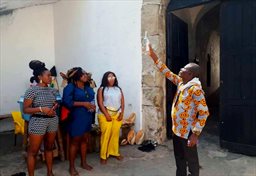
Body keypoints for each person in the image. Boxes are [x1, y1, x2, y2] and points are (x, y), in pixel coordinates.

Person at [148, 46, 209, 176]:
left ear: (190, 74)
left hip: (187, 132)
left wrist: (195, 134)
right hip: (177, 130)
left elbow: (204, 112)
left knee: (192, 163)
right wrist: (153, 55)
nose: (180, 70)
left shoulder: (195, 89)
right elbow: (167, 72)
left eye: (184, 69)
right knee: (179, 160)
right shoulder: (182, 83)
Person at [23, 60, 59, 176]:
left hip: (52, 121)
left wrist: (54, 106)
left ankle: (50, 172)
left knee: (49, 148)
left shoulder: (52, 90)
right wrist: (41, 109)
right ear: (40, 77)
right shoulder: (31, 91)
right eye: (48, 75)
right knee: (33, 152)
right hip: (38, 121)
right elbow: (26, 109)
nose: (51, 77)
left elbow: (53, 104)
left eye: (51, 75)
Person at [62, 67, 95, 176]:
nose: (86, 76)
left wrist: (91, 105)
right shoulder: (70, 87)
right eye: (83, 74)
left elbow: (90, 98)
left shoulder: (87, 86)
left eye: (86, 74)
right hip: (76, 117)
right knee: (75, 142)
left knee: (84, 140)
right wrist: (83, 104)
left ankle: (83, 163)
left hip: (87, 116)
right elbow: (67, 102)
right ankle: (71, 167)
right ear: (77, 77)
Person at [97, 71, 125, 164]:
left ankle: (114, 152)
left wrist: (121, 113)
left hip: (117, 114)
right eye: (109, 77)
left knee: (115, 134)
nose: (111, 78)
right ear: (105, 78)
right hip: (105, 114)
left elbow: (122, 102)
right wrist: (106, 114)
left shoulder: (118, 89)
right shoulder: (102, 89)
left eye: (113, 76)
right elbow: (100, 103)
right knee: (106, 135)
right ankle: (103, 155)